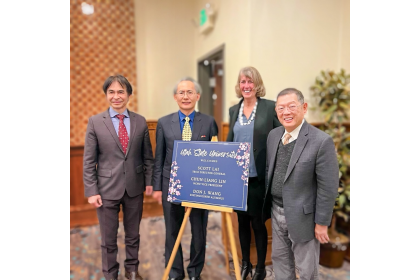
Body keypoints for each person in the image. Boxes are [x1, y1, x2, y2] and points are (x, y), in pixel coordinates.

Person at [263, 88, 339, 280]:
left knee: (306, 270)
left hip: (304, 216)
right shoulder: (273, 136)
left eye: (291, 106)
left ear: (304, 108)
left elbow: (328, 187)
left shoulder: (321, 141)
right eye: (281, 108)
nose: (286, 112)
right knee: (280, 261)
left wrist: (322, 223)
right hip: (276, 210)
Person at [83, 74, 154, 280]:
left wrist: (149, 182)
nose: (116, 96)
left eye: (121, 91)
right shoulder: (95, 122)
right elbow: (88, 160)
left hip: (134, 187)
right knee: (108, 238)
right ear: (106, 95)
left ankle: (132, 270)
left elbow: (147, 156)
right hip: (105, 190)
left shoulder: (140, 122)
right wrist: (91, 191)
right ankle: (110, 274)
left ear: (129, 94)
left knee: (133, 235)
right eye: (111, 92)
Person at [152, 77, 218, 280]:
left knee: (199, 232)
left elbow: (215, 156)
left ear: (197, 96)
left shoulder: (208, 122)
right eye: (181, 92)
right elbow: (159, 157)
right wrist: (157, 187)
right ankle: (175, 271)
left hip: (200, 186)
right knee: (172, 230)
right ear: (175, 97)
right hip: (170, 184)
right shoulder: (163, 123)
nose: (186, 96)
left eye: (190, 92)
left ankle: (195, 272)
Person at [226, 66, 281, 280]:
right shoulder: (234, 110)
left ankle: (260, 267)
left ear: (257, 84)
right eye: (243, 82)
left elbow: (280, 138)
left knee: (258, 223)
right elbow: (231, 141)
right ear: (239, 86)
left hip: (259, 176)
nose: (246, 86)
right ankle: (245, 263)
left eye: (250, 82)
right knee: (241, 222)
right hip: (237, 178)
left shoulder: (270, 108)